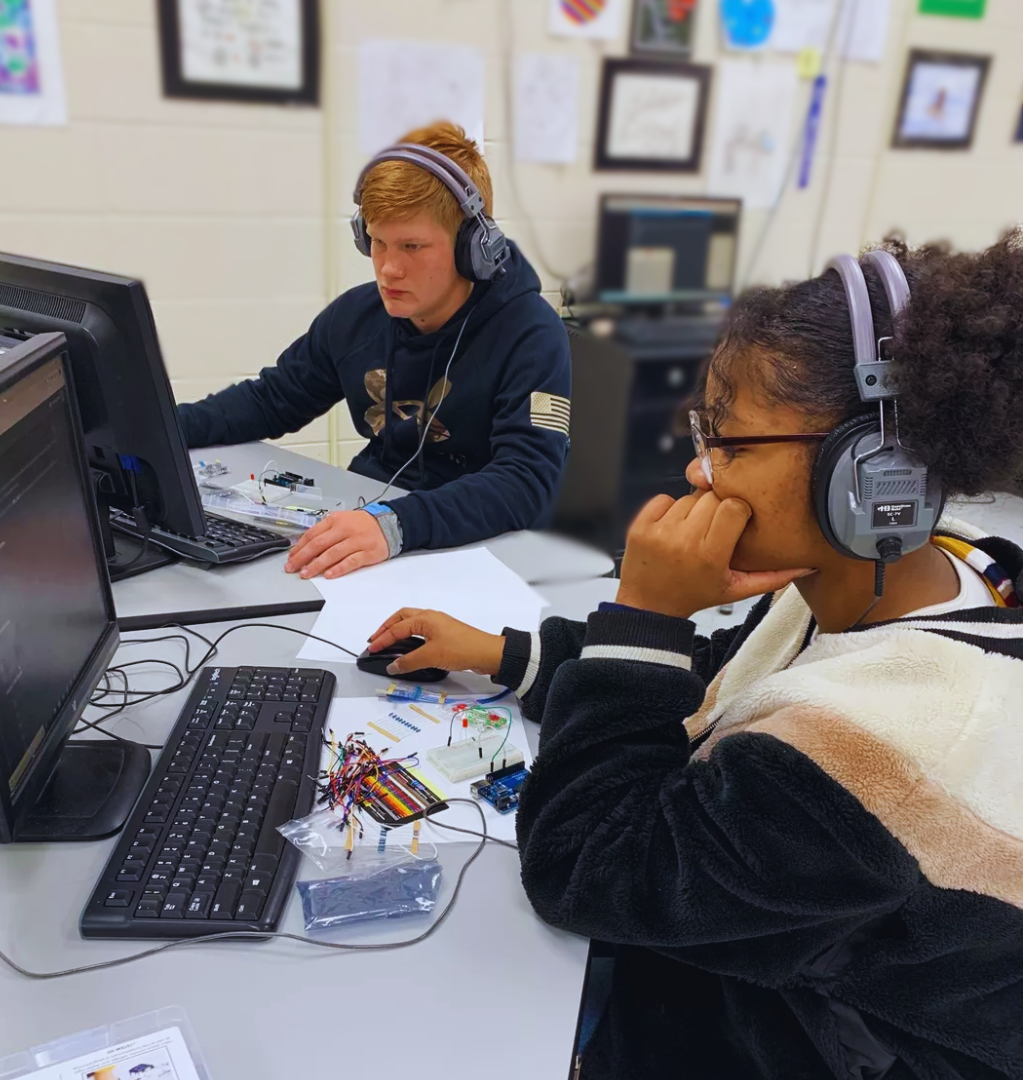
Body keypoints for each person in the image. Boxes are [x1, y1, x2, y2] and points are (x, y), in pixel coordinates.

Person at [365, 235, 1023, 1079]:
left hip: (798, 1044)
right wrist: (504, 654)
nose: (698, 470)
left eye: (730, 443)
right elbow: (729, 674)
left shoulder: (888, 748)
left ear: (872, 467)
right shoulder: (933, 569)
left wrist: (643, 612)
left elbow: (589, 868)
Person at [176, 121, 571, 580]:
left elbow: (527, 480)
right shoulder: (357, 316)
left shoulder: (533, 334)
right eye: (377, 242)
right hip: (375, 526)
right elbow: (271, 401)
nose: (388, 268)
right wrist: (160, 430)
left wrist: (393, 525)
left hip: (488, 549)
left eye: (412, 246)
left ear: (474, 248)